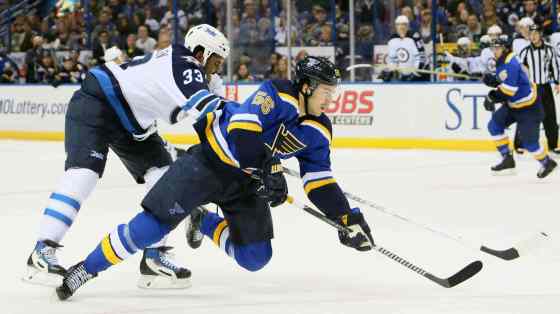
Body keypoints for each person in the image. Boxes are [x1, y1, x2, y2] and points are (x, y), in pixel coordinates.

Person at [54, 56, 374, 301]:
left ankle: (202, 221)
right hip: (208, 164)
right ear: (306, 86)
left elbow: (319, 181)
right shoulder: (276, 94)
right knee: (149, 228)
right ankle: (86, 268)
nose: (331, 99)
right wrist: (269, 168)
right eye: (326, 91)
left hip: (246, 183)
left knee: (255, 257)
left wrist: (347, 217)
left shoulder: (320, 130)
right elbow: (242, 131)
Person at [24, 24, 230, 290]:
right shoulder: (185, 63)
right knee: (83, 174)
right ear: (200, 52)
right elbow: (212, 111)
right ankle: (41, 251)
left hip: (135, 124)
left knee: (167, 182)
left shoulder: (201, 74)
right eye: (215, 60)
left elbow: (223, 115)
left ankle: (154, 258)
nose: (217, 68)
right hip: (99, 102)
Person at [482, 35, 557, 178]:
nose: (494, 51)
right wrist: (493, 80)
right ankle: (507, 159)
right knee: (494, 126)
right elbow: (505, 79)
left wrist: (491, 96)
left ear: (505, 48)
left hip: (529, 108)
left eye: (497, 48)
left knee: (530, 144)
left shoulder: (511, 63)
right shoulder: (503, 60)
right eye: (493, 48)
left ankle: (547, 162)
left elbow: (509, 90)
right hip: (513, 105)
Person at [517, 24, 560, 157]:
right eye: (531, 34)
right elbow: (521, 70)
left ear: (540, 34)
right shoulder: (525, 51)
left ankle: (553, 146)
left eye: (535, 33)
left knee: (550, 117)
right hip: (531, 88)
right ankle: (519, 144)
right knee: (525, 115)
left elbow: (555, 67)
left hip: (545, 87)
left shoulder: (550, 50)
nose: (533, 36)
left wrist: (558, 82)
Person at [380, 15, 428, 81]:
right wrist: (390, 70)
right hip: (405, 75)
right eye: (398, 25)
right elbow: (393, 60)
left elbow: (421, 57)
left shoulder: (415, 37)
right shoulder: (392, 39)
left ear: (408, 26)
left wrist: (415, 74)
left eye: (404, 24)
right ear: (395, 26)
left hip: (421, 75)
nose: (401, 27)